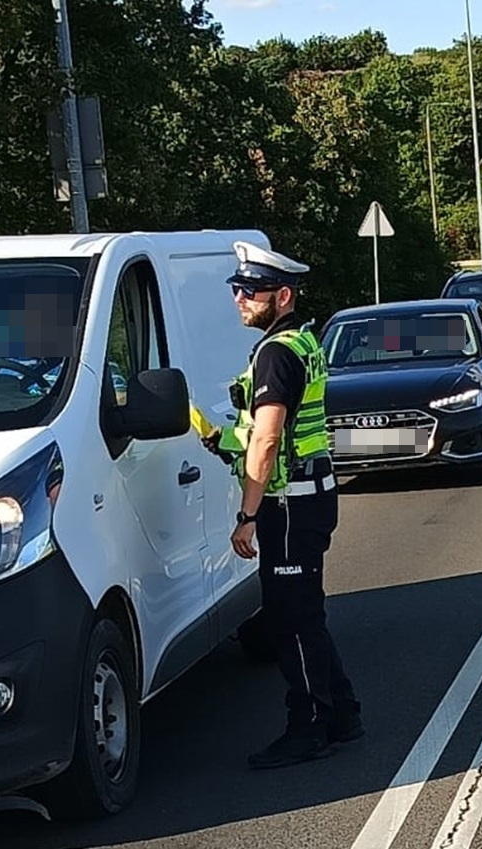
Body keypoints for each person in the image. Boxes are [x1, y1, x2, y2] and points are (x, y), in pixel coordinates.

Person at [202, 240, 363, 769]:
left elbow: (269, 441)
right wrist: (222, 441)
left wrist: (247, 515)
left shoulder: (275, 352)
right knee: (304, 613)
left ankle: (308, 727)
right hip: (311, 496)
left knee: (289, 621)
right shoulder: (301, 343)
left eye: (251, 291)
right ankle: (341, 713)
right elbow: (267, 433)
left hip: (289, 507)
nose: (240, 299)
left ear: (283, 295)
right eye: (237, 289)